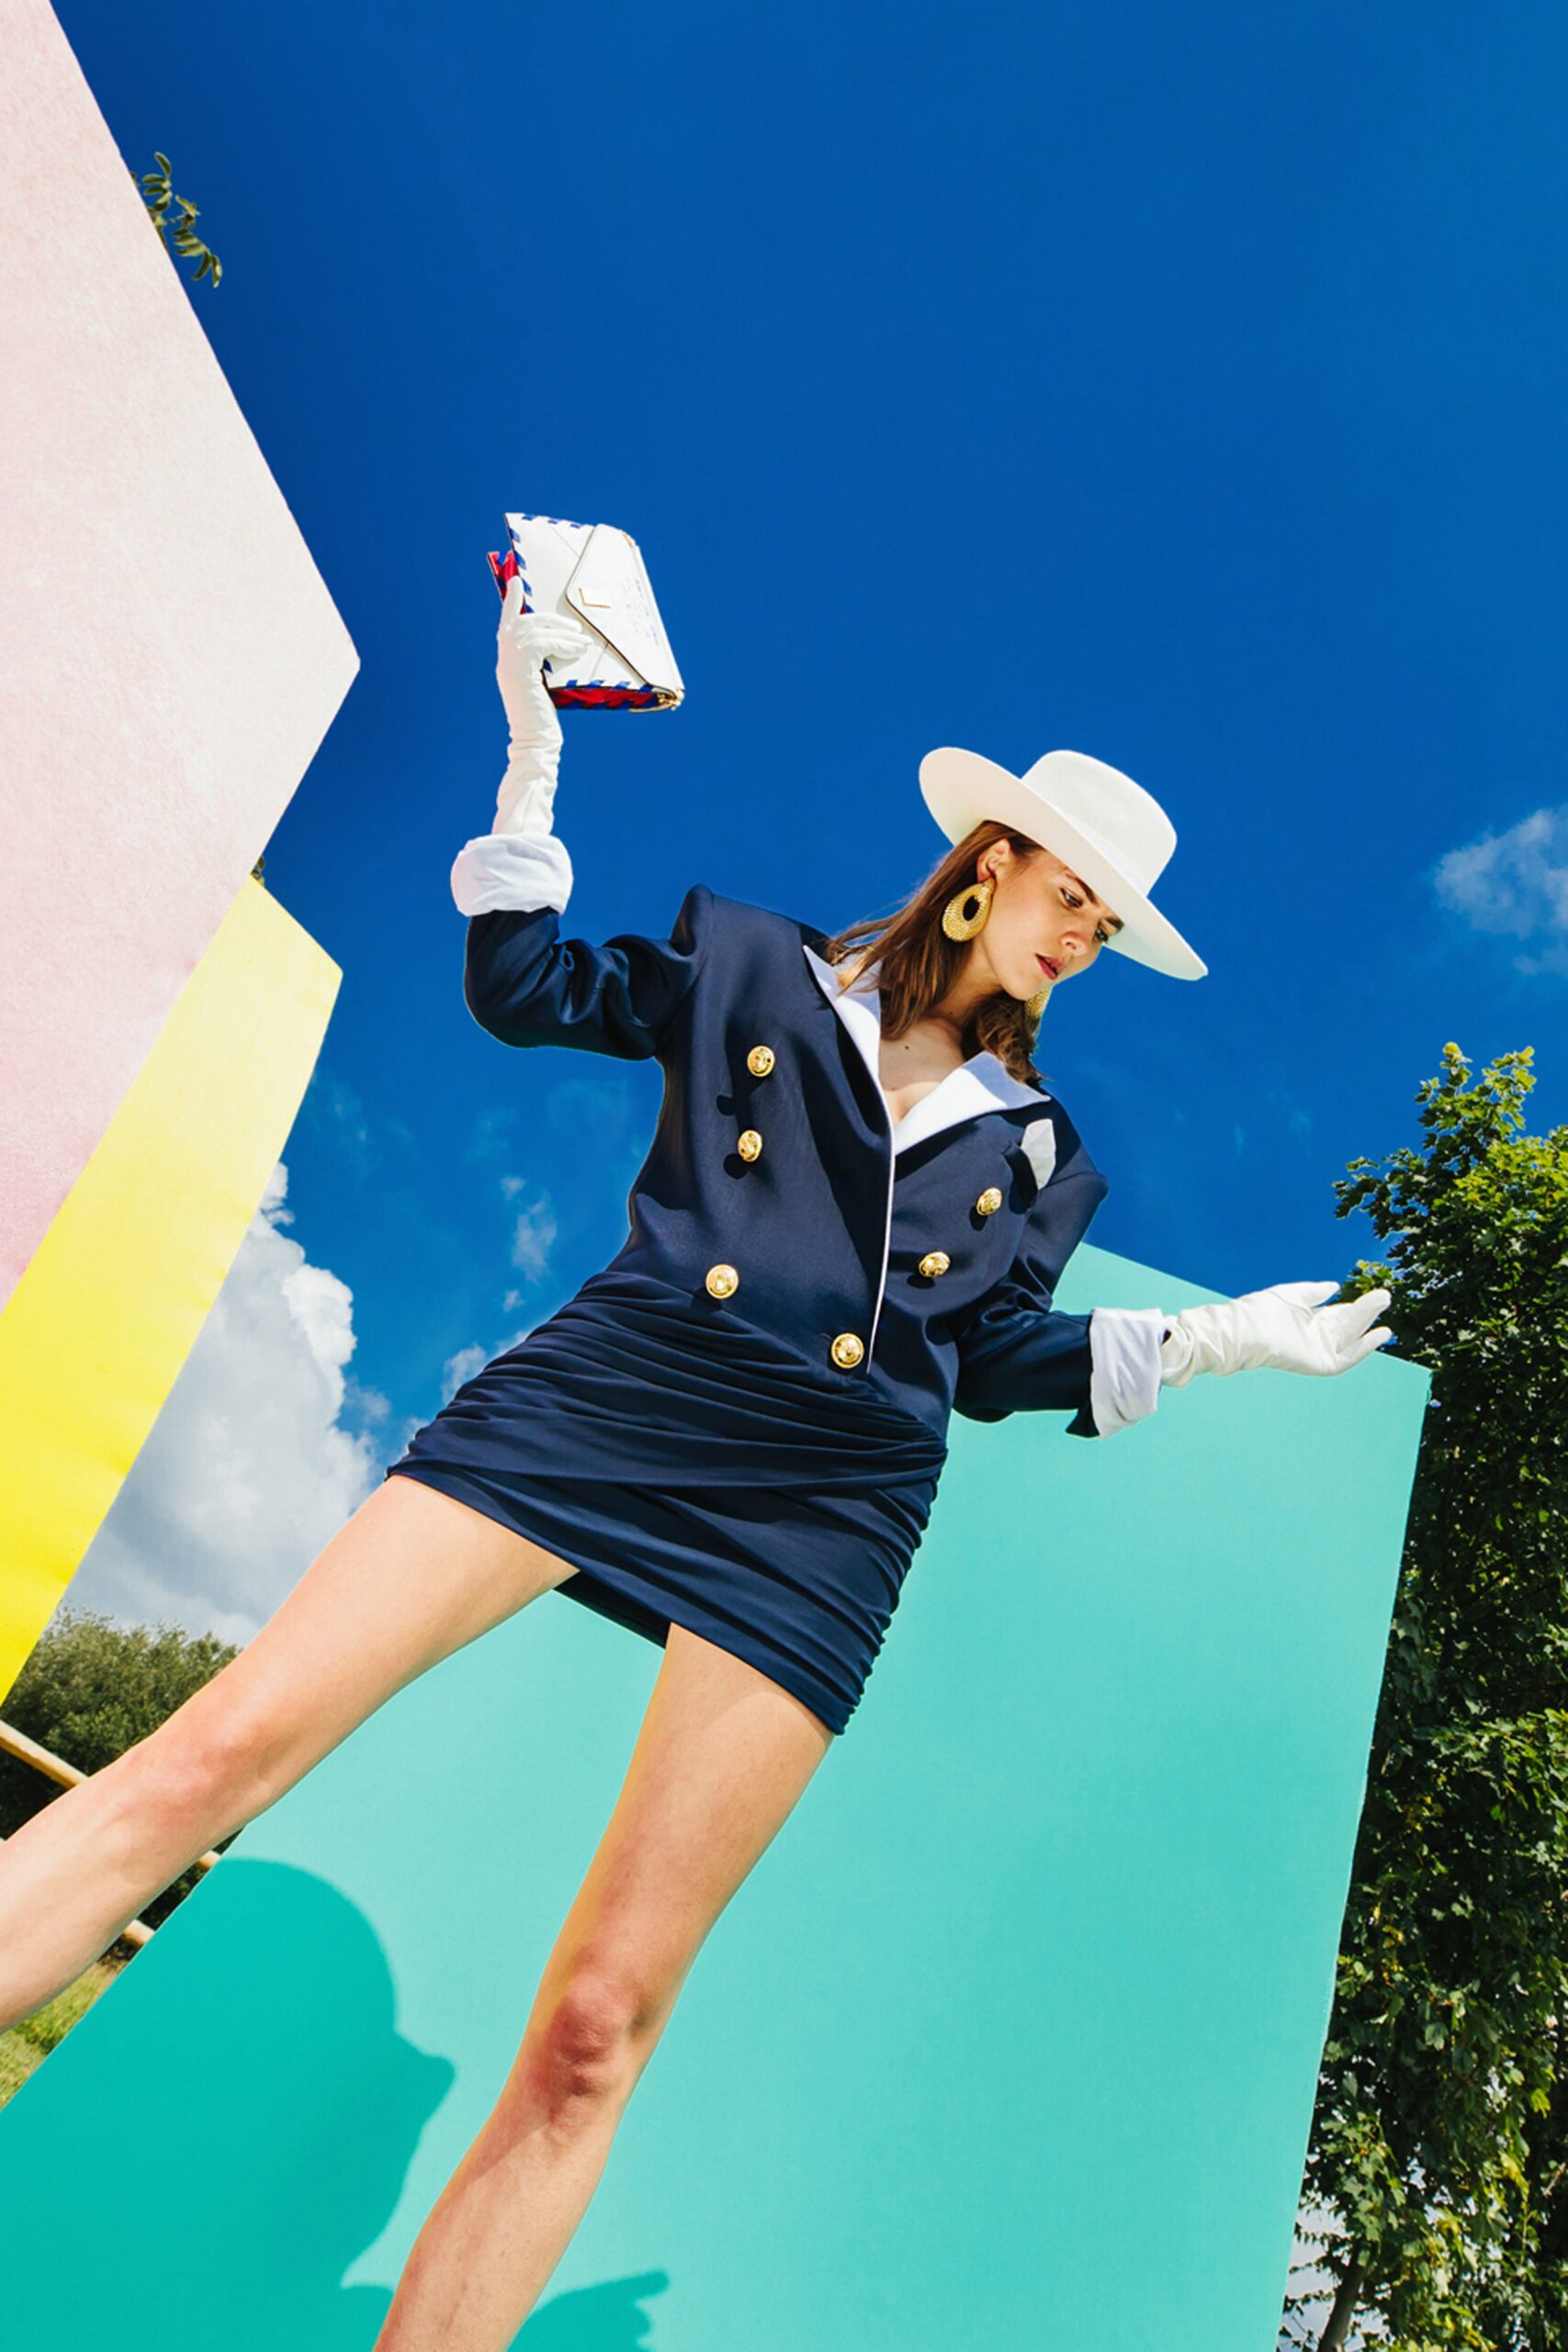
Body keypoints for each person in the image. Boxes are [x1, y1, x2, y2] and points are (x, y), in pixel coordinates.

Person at [0, 576, 1393, 2351]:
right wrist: (531, 757)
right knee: (215, 1753)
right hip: (625, 1383)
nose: (1081, 943)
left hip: (827, 1507)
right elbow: (523, 988)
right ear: (987, 865)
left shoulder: (1045, 1153)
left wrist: (1215, 1344)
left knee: (599, 2022)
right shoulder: (748, 958)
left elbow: (985, 1363)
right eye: (1071, 900)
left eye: (1108, 930)